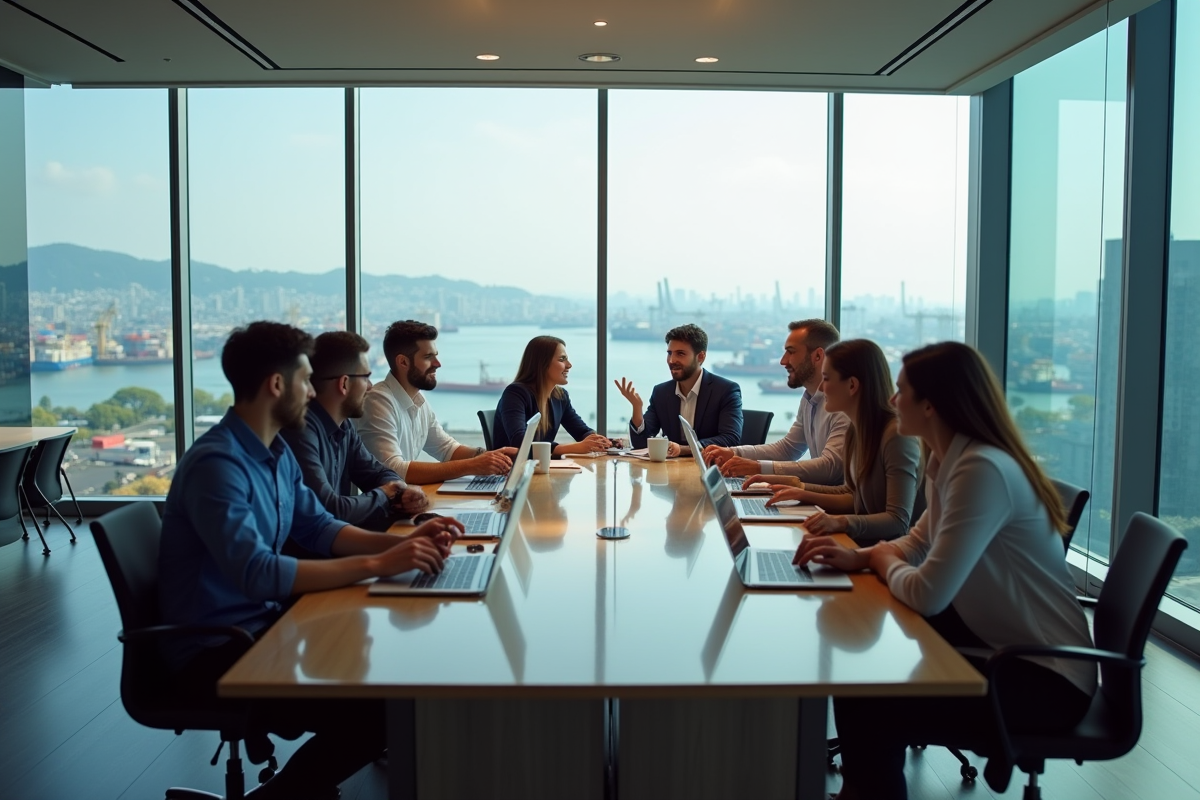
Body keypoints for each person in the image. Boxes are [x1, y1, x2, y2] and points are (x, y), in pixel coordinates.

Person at [158, 321, 464, 800]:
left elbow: (319, 527)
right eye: (305, 380)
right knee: (381, 710)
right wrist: (378, 564)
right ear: (276, 385)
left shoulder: (274, 451)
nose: (312, 392)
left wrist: (399, 546)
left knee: (388, 682)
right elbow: (257, 573)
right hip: (217, 649)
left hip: (265, 625)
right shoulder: (217, 465)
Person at [795, 341, 1095, 800]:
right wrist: (863, 557)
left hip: (1046, 680)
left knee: (870, 700)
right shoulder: (949, 458)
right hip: (1002, 644)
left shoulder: (982, 470)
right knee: (862, 677)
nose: (892, 399)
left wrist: (880, 558)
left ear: (930, 405)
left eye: (902, 391)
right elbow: (918, 541)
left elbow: (928, 593)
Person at [751, 339, 919, 544]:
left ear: (852, 385)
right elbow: (851, 495)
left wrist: (842, 523)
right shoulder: (856, 430)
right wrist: (799, 489)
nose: (821, 388)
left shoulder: (896, 436)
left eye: (826, 378)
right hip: (866, 545)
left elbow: (898, 521)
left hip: (889, 554)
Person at [280, 330, 428, 531]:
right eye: (366, 377)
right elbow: (330, 510)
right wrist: (386, 494)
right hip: (315, 548)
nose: (370, 387)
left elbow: (375, 472)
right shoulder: (300, 433)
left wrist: (399, 490)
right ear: (344, 384)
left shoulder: (344, 425)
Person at [357, 320, 517, 485]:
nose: (438, 364)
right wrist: (473, 465)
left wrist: (491, 456)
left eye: (436, 355)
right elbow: (393, 470)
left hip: (406, 496)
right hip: (384, 500)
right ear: (403, 362)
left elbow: (447, 449)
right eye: (428, 357)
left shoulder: (418, 400)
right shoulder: (378, 401)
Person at [703, 319, 848, 483]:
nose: (783, 361)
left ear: (818, 356)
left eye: (791, 352)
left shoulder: (844, 404)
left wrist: (758, 467)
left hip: (836, 498)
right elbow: (788, 449)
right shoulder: (809, 398)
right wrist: (733, 453)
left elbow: (830, 468)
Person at [615, 323, 743, 456]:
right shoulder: (661, 392)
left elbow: (730, 439)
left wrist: (683, 449)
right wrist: (637, 408)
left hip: (710, 466)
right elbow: (640, 444)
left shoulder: (726, 390)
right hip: (672, 467)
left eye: (680, 354)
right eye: (669, 353)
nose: (671, 360)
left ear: (701, 357)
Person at [492, 335, 611, 455]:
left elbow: (581, 432)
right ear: (542, 364)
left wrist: (605, 442)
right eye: (562, 359)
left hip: (542, 464)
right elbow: (520, 443)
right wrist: (573, 447)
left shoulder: (560, 396)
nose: (569, 365)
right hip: (513, 466)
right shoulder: (515, 394)